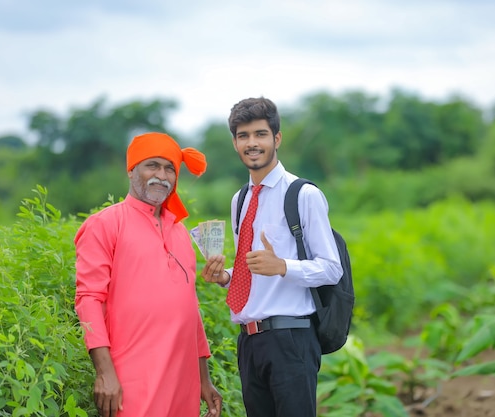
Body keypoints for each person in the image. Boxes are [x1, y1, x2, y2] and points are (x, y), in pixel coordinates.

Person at [201, 97, 343, 417]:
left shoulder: (303, 195)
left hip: (291, 339)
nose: (252, 143)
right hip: (250, 342)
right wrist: (225, 278)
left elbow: (331, 268)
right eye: (243, 136)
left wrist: (282, 266)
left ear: (276, 139)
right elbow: (251, 270)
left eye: (260, 134)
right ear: (235, 143)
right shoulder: (240, 199)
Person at [74, 132, 223, 417]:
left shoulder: (179, 231)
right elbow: (89, 299)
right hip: (131, 374)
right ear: (131, 170)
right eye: (152, 165)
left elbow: (190, 307)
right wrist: (104, 372)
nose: (162, 175)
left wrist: (203, 379)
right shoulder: (104, 224)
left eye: (169, 168)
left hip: (183, 378)